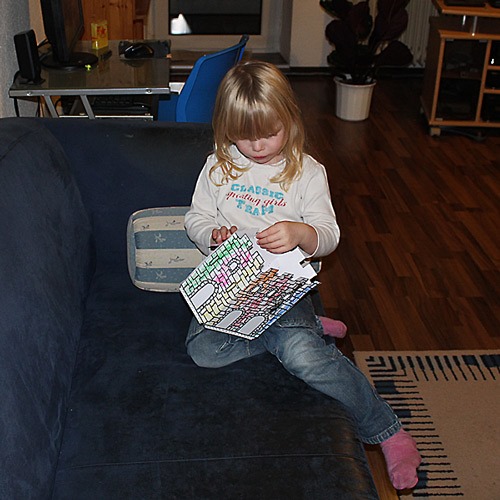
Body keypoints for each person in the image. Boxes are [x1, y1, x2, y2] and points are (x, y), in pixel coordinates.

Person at [184, 60, 421, 490]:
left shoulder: (307, 172)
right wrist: (211, 235)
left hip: (286, 289)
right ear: (226, 129)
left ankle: (388, 431)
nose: (257, 146)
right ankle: (305, 327)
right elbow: (195, 218)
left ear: (290, 120)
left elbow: (329, 235)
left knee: (303, 357)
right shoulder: (218, 167)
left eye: (269, 133)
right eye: (244, 136)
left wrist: (300, 233)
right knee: (203, 350)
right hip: (232, 287)